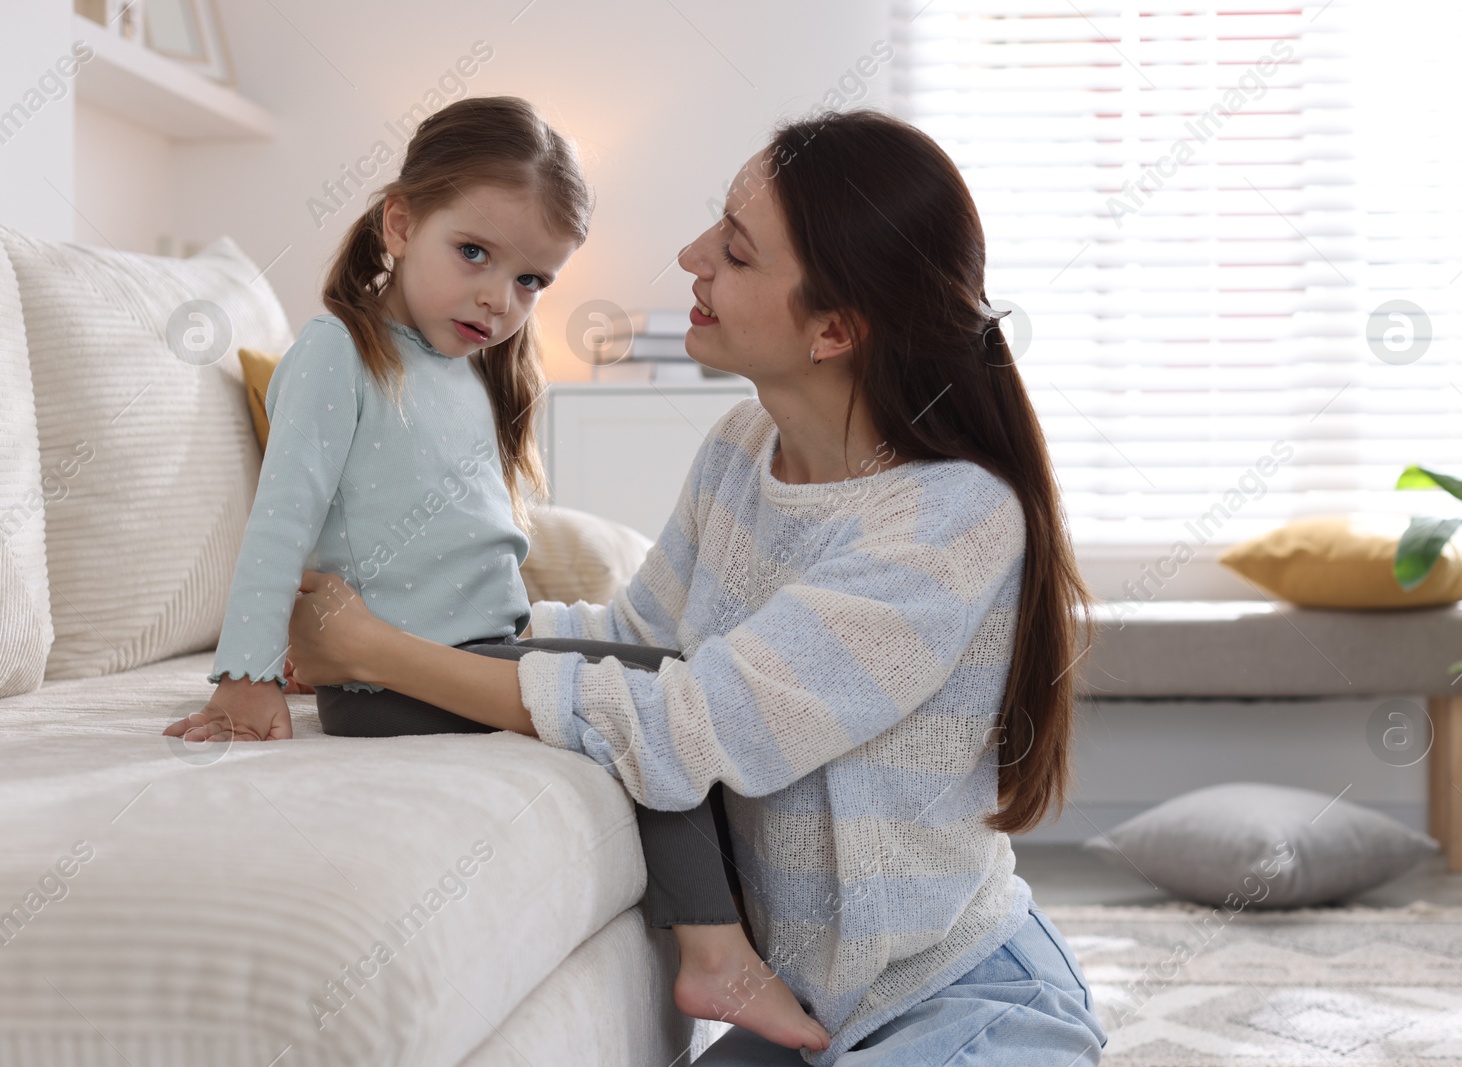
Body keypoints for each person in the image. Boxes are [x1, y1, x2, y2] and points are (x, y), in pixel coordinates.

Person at [281, 109, 1108, 1066]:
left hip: (959, 1001)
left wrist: (379, 651)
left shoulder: (949, 521)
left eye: (738, 252)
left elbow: (681, 723)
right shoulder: (739, 453)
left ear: (835, 329)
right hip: (808, 1018)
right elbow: (632, 636)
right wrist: (416, 633)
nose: (691, 255)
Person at [161, 94, 829, 1054]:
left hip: (482, 651)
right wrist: (247, 671)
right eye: (473, 254)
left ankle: (737, 937)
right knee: (655, 699)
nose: (498, 300)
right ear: (401, 223)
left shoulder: (468, 370)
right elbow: (281, 523)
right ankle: (717, 958)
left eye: (530, 280)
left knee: (676, 682)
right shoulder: (338, 354)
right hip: (396, 684)